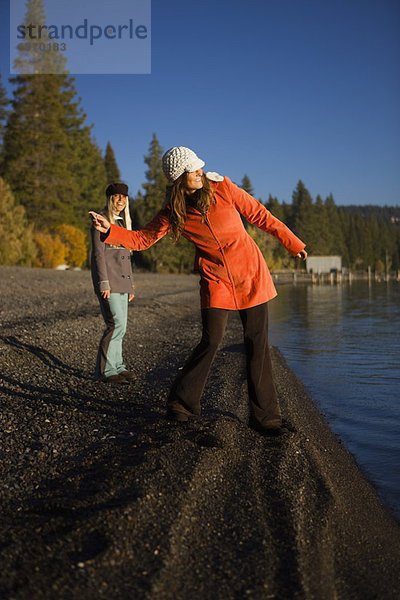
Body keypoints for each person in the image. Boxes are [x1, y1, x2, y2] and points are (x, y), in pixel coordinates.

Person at [90, 147, 307, 433]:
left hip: (250, 273)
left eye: (199, 167)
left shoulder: (223, 188)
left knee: (257, 342)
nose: (200, 172)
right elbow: (143, 239)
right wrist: (110, 230)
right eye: (193, 170)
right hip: (215, 279)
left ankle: (266, 418)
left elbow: (260, 216)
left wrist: (293, 243)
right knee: (211, 339)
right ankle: (181, 404)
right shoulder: (174, 211)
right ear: (180, 178)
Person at [90, 182, 135, 384]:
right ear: (110, 199)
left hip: (123, 283)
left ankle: (118, 366)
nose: (121, 200)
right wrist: (104, 283)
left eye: (124, 197)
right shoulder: (101, 220)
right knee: (114, 324)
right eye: (117, 196)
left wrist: (130, 285)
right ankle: (106, 371)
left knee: (122, 327)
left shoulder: (124, 223)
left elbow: (126, 257)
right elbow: (98, 255)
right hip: (109, 282)